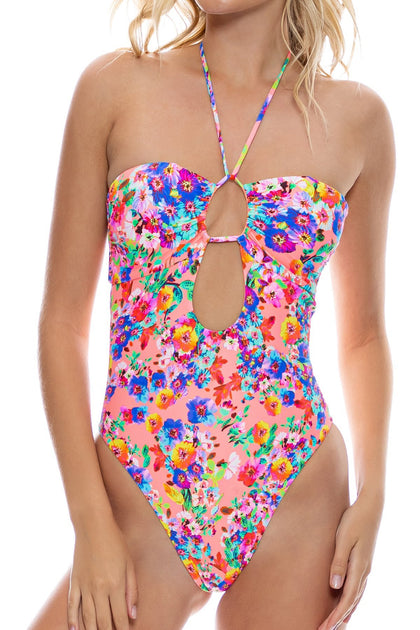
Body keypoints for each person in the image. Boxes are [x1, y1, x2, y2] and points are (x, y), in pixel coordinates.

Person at [29, 0, 395, 629]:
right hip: (141, 494)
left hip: (294, 490)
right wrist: (90, 523)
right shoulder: (114, 89)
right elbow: (61, 326)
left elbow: (363, 336)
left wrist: (376, 491)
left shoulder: (358, 120)